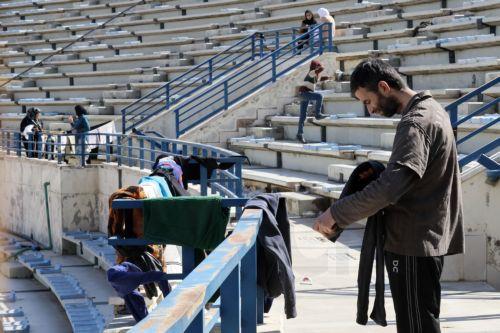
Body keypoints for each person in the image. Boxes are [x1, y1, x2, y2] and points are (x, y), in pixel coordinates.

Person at [313, 59, 464, 333]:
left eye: (369, 101)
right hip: (425, 238)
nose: (370, 110)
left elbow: (390, 187)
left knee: (416, 326)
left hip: (413, 242)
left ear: (384, 87)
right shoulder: (433, 109)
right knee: (421, 322)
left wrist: (336, 213)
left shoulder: (415, 123)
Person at [296, 59, 329, 143]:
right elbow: (321, 69)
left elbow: (318, 79)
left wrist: (327, 78)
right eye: (317, 66)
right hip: (304, 93)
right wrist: (321, 65)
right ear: (315, 67)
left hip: (304, 94)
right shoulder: (311, 72)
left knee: (303, 115)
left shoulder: (314, 75)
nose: (318, 69)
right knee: (319, 96)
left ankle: (299, 134)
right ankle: (317, 114)